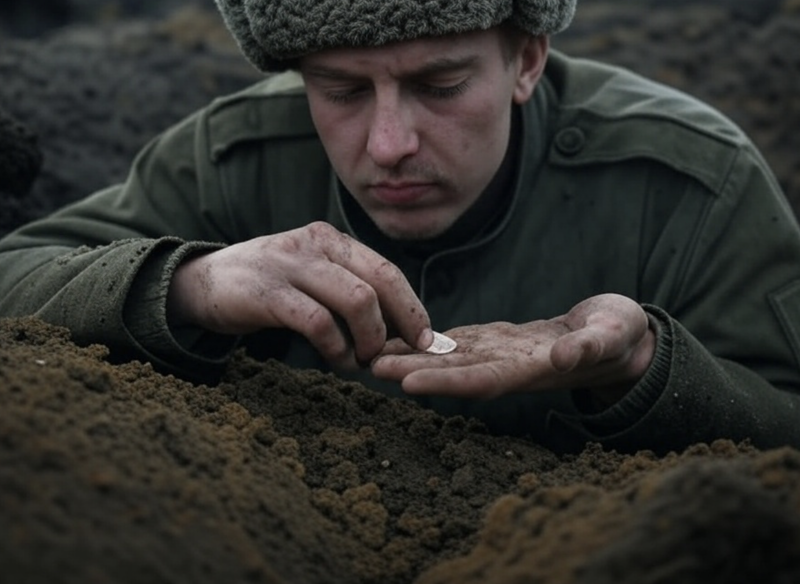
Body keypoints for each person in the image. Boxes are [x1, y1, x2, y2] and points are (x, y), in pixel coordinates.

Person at [1, 0, 800, 455]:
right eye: (341, 92)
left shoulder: (690, 183)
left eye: (441, 83)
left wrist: (649, 367)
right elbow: (17, 275)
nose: (388, 145)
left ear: (525, 59)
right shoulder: (231, 158)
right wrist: (192, 284)